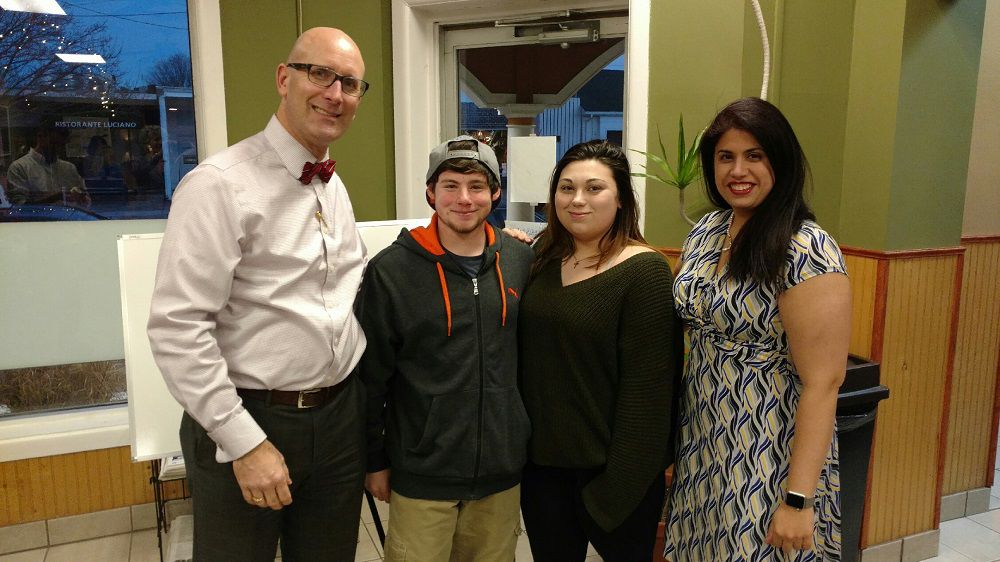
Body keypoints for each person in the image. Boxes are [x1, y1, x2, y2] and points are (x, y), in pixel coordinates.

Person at [147, 27, 372, 561]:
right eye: (319, 73)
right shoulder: (219, 185)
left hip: (339, 419)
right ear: (283, 78)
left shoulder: (332, 184)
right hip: (250, 416)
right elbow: (177, 328)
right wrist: (243, 441)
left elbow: (342, 292)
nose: (335, 94)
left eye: (351, 84)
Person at [665, 97, 850, 560]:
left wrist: (798, 499)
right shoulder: (708, 229)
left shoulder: (806, 248)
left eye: (754, 156)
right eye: (725, 157)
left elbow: (824, 383)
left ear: (780, 161)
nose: (737, 171)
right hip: (704, 441)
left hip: (767, 448)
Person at [359, 136, 533, 561]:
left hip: (500, 472)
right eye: (451, 185)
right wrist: (374, 460)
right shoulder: (391, 271)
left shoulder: (520, 260)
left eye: (476, 186)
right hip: (422, 473)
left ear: (495, 193)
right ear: (430, 193)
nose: (464, 199)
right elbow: (369, 376)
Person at [518, 139, 683, 561]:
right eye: (566, 188)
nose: (577, 200)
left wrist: (610, 494)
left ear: (622, 199)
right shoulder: (541, 257)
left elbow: (649, 397)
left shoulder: (644, 271)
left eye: (594, 188)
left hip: (614, 479)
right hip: (543, 475)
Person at [6, 126, 90, 207]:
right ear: (40, 137)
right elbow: (20, 206)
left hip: (72, 219)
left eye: (61, 145)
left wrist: (81, 198)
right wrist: (56, 197)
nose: (58, 149)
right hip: (39, 220)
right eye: (54, 143)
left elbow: (86, 201)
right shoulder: (19, 167)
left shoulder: (69, 168)